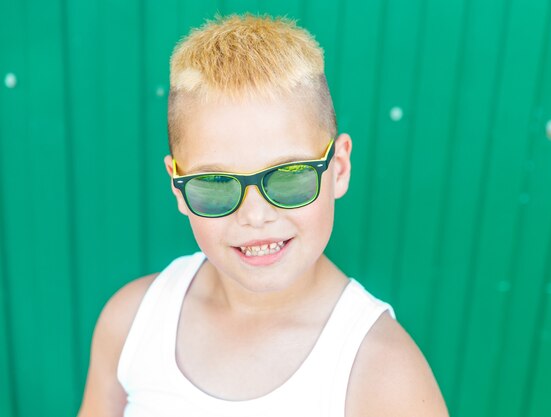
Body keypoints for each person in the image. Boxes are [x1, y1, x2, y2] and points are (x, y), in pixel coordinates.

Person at [77, 13, 449, 417]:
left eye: (289, 177)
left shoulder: (383, 374)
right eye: (217, 183)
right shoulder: (132, 321)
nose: (255, 216)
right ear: (177, 186)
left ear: (339, 168)